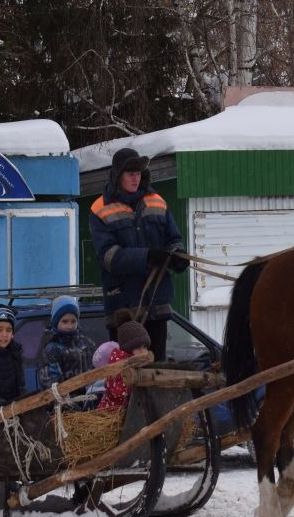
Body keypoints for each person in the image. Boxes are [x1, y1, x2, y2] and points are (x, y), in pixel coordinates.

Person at [89, 147, 189, 363]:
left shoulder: (157, 201)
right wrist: (147, 256)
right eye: (130, 174)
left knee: (157, 369)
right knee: (127, 376)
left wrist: (178, 256)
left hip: (157, 305)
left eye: (138, 173)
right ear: (118, 176)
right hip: (124, 309)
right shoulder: (100, 209)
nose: (136, 178)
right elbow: (108, 256)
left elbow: (173, 239)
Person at [36, 296, 97, 391]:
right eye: (65, 322)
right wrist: (67, 402)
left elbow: (97, 372)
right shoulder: (52, 349)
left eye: (73, 321)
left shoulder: (87, 344)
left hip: (89, 400)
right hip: (64, 402)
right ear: (56, 323)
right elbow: (50, 384)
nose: (70, 326)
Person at [96, 310, 151, 411]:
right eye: (138, 348)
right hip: (112, 412)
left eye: (144, 347)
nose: (143, 352)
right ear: (127, 349)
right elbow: (118, 392)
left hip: (128, 412)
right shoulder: (119, 365)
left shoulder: (138, 364)